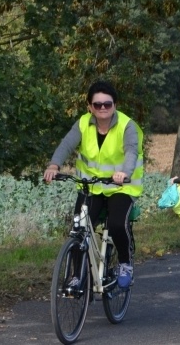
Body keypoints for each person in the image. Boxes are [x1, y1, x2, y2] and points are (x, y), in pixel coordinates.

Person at [44, 80, 143, 288]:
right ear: (89, 107)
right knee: (79, 229)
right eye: (97, 105)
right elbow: (67, 144)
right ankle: (77, 276)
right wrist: (54, 165)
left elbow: (132, 151)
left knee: (117, 224)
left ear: (115, 105)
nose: (103, 108)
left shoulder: (127, 126)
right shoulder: (83, 124)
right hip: (91, 186)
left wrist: (124, 172)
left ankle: (125, 264)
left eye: (107, 104)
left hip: (121, 187)